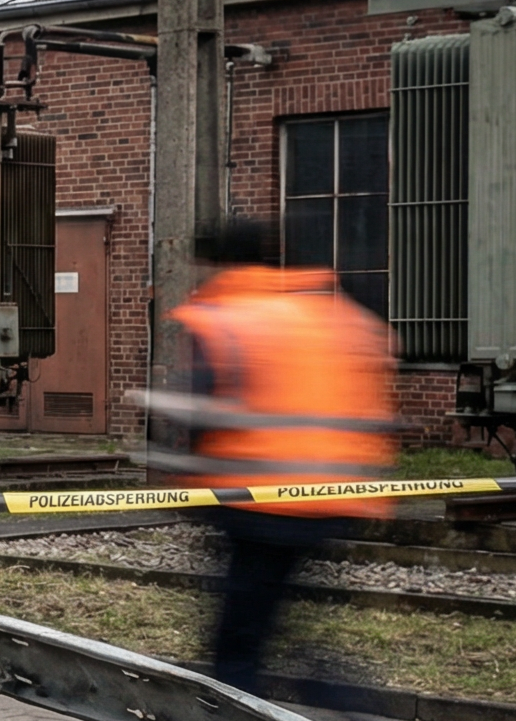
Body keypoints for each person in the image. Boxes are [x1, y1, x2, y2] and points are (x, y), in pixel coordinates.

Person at [152, 218, 395, 694]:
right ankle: (329, 712)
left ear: (217, 262)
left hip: (255, 504)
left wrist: (169, 445)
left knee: (239, 641)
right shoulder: (324, 314)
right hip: (330, 501)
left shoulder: (224, 317)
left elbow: (203, 414)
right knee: (269, 625)